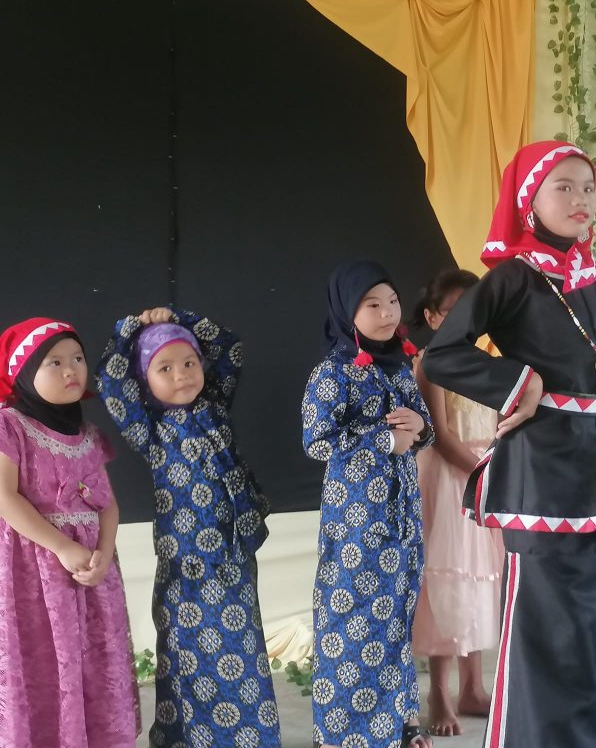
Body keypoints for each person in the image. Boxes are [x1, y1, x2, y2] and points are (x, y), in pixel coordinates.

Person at [422, 140, 596, 747]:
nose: (581, 199)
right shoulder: (512, 279)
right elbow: (442, 355)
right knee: (546, 624)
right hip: (543, 477)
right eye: (564, 187)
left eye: (588, 188)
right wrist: (517, 381)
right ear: (529, 199)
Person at [96, 306, 281, 746]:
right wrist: (132, 328)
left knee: (242, 648)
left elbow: (230, 348)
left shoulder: (214, 405)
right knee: (188, 653)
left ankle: (249, 738)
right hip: (188, 566)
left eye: (189, 362)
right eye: (164, 367)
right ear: (144, 379)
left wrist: (181, 318)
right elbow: (109, 379)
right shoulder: (149, 427)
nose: (181, 375)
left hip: (234, 555)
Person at [302, 260, 434, 748]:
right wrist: (384, 440)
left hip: (403, 518)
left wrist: (420, 429)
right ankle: (347, 735)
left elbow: (423, 430)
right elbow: (316, 441)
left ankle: (399, 723)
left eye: (392, 301)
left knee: (397, 619)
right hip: (357, 523)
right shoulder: (332, 373)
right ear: (346, 311)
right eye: (372, 304)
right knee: (353, 624)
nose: (387, 313)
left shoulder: (399, 365)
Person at [0, 317, 141, 747]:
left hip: (90, 573)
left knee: (94, 656)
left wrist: (104, 554)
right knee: (43, 658)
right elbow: (4, 496)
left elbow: (108, 504)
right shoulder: (10, 426)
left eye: (77, 358)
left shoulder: (90, 436)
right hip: (33, 573)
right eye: (55, 362)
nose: (71, 370)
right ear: (24, 373)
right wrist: (61, 546)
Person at [410, 268, 504, 737]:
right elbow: (440, 436)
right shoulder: (430, 364)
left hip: (485, 475)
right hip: (450, 479)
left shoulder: (490, 362)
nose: (463, 319)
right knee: (448, 582)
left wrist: (496, 468)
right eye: (451, 311)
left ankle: (474, 686)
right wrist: (482, 471)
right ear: (431, 317)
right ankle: (440, 692)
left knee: (481, 580)